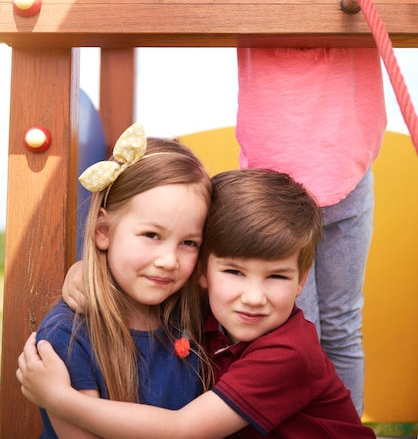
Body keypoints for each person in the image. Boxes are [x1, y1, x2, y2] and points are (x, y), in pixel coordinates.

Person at [129, 0, 417, 415]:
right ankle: (282, 428)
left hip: (349, 183)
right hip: (271, 194)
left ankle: (340, 427)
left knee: (340, 326)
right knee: (288, 332)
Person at [17, 168, 377, 438]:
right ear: (204, 271)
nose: (253, 298)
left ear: (302, 279)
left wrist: (60, 399)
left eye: (276, 277)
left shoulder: (289, 351)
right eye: (234, 272)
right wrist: (86, 272)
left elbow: (182, 430)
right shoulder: (202, 303)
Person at [28, 121, 212, 438]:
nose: (169, 261)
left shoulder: (190, 311)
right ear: (103, 231)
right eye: (152, 235)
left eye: (188, 243)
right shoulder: (67, 336)